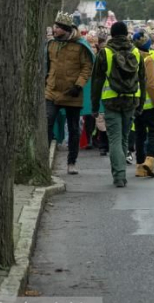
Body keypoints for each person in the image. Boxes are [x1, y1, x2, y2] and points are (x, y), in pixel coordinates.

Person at [91, 21, 145, 187]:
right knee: (124, 137)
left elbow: (97, 81)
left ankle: (119, 175)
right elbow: (143, 80)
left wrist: (94, 106)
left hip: (111, 100)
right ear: (126, 34)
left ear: (112, 35)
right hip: (131, 100)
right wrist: (141, 104)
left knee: (114, 138)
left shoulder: (105, 53)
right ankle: (121, 174)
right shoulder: (136, 52)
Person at [46, 11, 94, 175]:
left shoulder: (80, 45)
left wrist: (78, 86)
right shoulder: (51, 44)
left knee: (74, 129)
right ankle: (45, 159)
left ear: (66, 29)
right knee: (47, 122)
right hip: (52, 91)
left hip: (72, 93)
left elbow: (87, 67)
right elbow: (47, 65)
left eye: (58, 27)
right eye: (55, 26)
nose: (55, 29)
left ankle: (71, 162)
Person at [132, 30, 154, 178]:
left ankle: (139, 167)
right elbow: (151, 85)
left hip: (135, 103)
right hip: (149, 104)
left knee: (139, 135)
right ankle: (149, 161)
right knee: (153, 132)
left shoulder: (131, 56)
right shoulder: (148, 59)